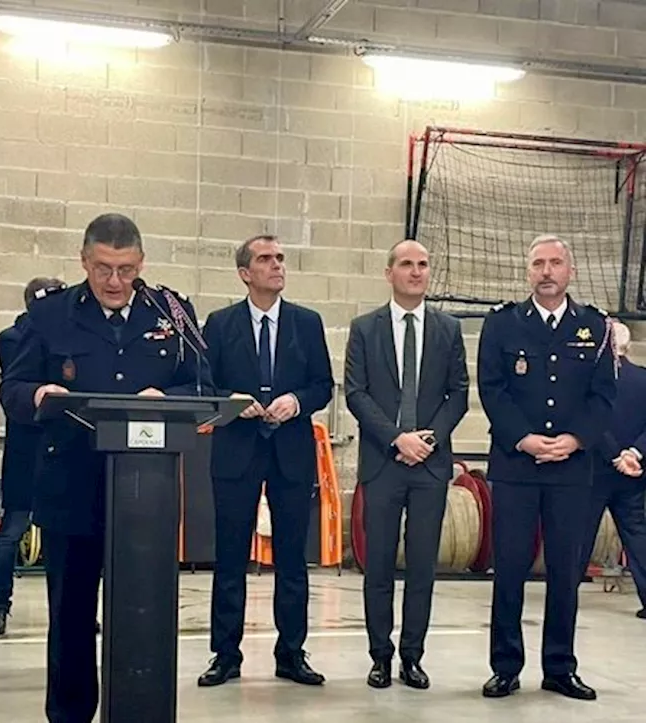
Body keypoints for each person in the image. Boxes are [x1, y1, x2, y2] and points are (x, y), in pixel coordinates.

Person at [0, 213, 210, 723]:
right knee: (70, 616)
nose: (115, 282)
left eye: (126, 269)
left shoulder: (171, 311)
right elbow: (13, 387)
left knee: (144, 615)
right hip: (71, 488)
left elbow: (203, 384)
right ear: (83, 261)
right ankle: (70, 714)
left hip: (148, 497)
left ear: (141, 263)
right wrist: (39, 394)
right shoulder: (50, 317)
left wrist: (169, 397)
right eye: (103, 269)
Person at [476, 234, 615, 701]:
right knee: (510, 568)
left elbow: (602, 396)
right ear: (528, 271)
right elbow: (492, 390)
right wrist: (525, 439)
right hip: (516, 466)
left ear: (570, 271)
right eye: (538, 263)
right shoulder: (503, 325)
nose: (547, 271)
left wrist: (575, 440)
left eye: (556, 263)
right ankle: (506, 666)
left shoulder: (595, 327)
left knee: (565, 570)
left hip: (572, 471)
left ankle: (560, 666)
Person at [198, 234, 334, 688]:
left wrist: (297, 401)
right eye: (265, 259)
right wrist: (230, 401)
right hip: (237, 450)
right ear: (244, 273)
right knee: (231, 556)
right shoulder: (219, 324)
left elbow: (322, 385)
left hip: (291, 453)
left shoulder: (306, 323)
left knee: (293, 558)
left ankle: (291, 653)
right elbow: (202, 386)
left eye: (279, 258)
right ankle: (225, 654)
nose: (276, 265)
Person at [343, 240, 469, 689]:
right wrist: (397, 438)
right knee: (378, 566)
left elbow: (459, 393)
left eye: (423, 265)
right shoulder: (364, 328)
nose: (416, 272)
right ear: (389, 272)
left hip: (431, 467)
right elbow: (355, 393)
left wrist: (427, 440)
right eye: (406, 264)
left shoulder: (448, 328)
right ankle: (380, 655)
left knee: (421, 568)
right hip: (383, 463)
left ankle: (412, 656)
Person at [0, 276, 63, 637]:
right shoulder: (12, 337)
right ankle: (0, 606)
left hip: (61, 446)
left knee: (67, 534)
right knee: (12, 529)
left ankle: (70, 609)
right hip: (25, 447)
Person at [581, 320, 646, 618]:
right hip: (633, 474)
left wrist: (614, 454)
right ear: (628, 348)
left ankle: (566, 593)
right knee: (636, 534)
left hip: (595, 469)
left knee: (580, 534)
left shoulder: (591, 382)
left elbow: (594, 422)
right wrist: (634, 453)